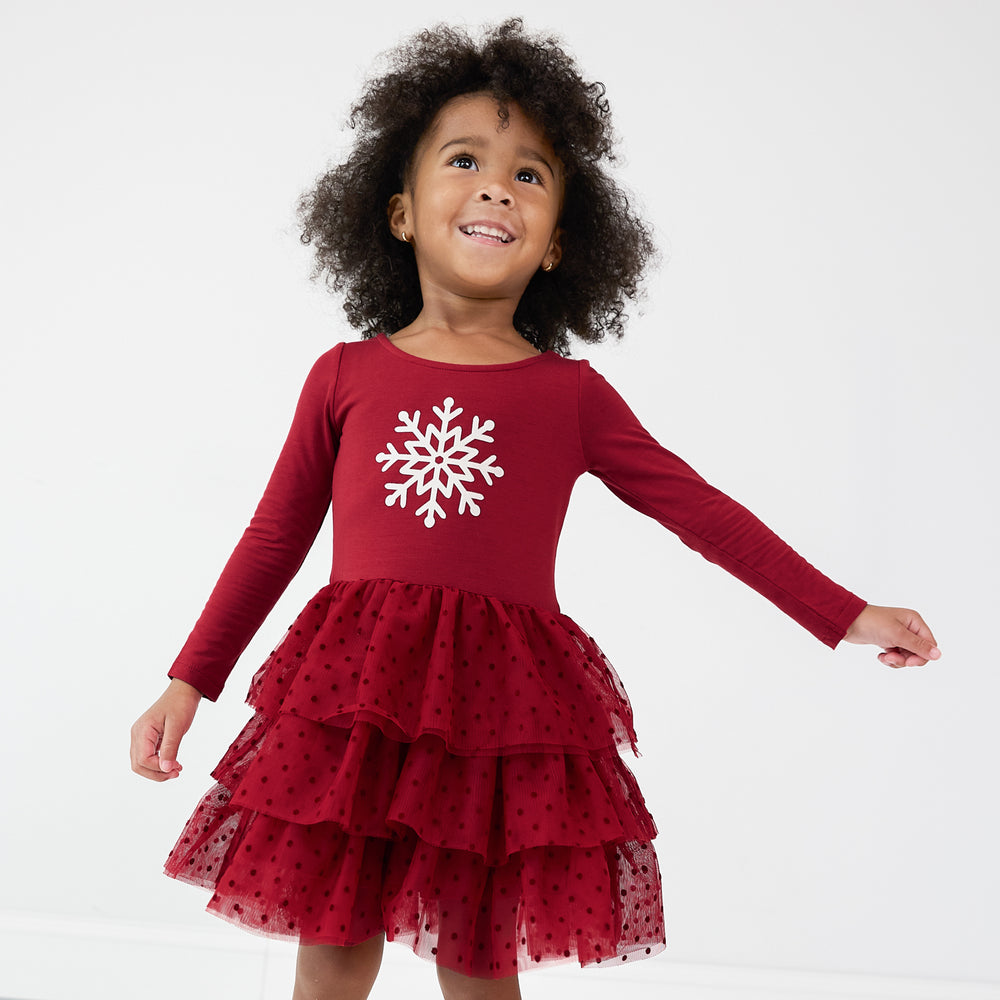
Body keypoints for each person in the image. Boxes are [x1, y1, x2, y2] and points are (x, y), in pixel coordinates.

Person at [129, 19, 939, 1000]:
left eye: (529, 176)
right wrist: (190, 679)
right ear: (396, 213)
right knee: (331, 938)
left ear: (557, 243)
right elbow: (272, 538)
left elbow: (703, 514)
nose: (494, 187)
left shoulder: (571, 398)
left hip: (496, 711)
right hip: (352, 694)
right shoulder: (342, 375)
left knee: (478, 952)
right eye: (464, 159)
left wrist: (844, 612)